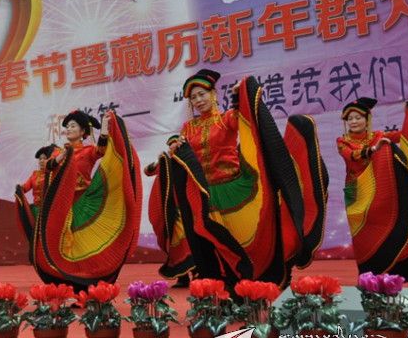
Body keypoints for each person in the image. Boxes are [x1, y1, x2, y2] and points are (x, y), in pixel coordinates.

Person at [147, 69, 327, 289]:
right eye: (193, 98)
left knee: (240, 236)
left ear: (213, 94)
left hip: (232, 188)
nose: (198, 100)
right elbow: (182, 156)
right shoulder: (188, 128)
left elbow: (248, 118)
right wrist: (165, 161)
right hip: (204, 192)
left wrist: (239, 96)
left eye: (202, 94)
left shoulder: (227, 119)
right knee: (210, 240)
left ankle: (254, 275)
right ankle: (219, 282)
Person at [337, 97, 408, 279]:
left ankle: (390, 262)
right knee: (360, 233)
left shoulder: (377, 136)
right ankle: (366, 272)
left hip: (377, 186)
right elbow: (351, 155)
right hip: (354, 190)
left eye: (358, 117)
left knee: (385, 222)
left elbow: (403, 135)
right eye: (350, 119)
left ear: (367, 119)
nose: (353, 121)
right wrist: (372, 150)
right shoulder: (342, 141)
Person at [27, 109, 141, 292]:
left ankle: (85, 284)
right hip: (62, 206)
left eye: (73, 126)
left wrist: (105, 127)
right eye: (67, 126)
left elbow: (102, 150)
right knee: (59, 245)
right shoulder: (58, 152)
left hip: (83, 203)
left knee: (81, 246)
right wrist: (63, 156)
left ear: (82, 132)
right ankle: (65, 284)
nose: (69, 129)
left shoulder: (88, 151)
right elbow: (48, 167)